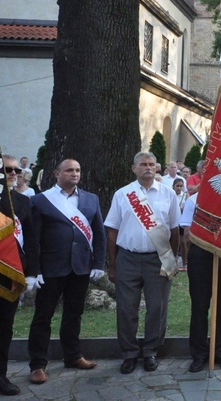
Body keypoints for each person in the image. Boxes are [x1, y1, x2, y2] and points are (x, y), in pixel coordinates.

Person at [26, 159, 106, 384]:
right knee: (43, 317)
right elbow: (33, 239)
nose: (75, 173)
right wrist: (35, 270)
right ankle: (37, 365)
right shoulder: (41, 200)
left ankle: (73, 356)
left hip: (80, 267)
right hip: (51, 269)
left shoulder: (91, 199)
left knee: (74, 314)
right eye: (69, 170)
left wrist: (99, 263)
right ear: (56, 173)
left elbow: (98, 233)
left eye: (78, 170)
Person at [104, 152, 181, 374]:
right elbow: (112, 232)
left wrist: (171, 259)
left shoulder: (168, 194)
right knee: (127, 309)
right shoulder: (123, 194)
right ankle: (129, 353)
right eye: (142, 164)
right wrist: (113, 264)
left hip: (158, 257)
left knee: (157, 307)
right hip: (127, 257)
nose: (148, 168)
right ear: (134, 168)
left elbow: (175, 230)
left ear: (157, 168)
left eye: (151, 164)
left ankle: (150, 351)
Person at [181, 192, 221, 372]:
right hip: (199, 255)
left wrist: (220, 236)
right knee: (199, 306)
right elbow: (186, 231)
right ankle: (199, 354)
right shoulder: (193, 200)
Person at [0, 155, 35, 396]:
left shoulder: (22, 202)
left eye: (16, 169)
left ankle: (0, 376)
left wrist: (32, 272)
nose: (15, 173)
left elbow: (31, 240)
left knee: (4, 327)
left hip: (9, 275)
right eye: (8, 169)